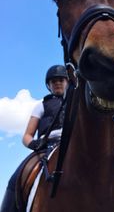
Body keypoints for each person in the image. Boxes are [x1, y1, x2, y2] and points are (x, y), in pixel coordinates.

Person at [0, 65, 69, 212]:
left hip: (72, 144)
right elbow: (26, 136)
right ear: (49, 86)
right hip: (46, 147)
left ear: (68, 82)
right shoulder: (41, 105)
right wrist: (35, 144)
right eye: (53, 81)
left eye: (61, 80)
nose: (57, 83)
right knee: (15, 178)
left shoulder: (76, 103)